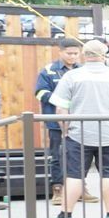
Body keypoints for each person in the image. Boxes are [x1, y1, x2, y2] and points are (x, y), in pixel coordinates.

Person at [49, 38, 109, 218]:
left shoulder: (72, 76)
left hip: (79, 133)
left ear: (84, 55)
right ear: (104, 55)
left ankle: (65, 216)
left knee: (74, 175)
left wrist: (65, 130)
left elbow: (60, 109)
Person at [35, 37, 81, 206]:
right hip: (56, 122)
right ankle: (58, 189)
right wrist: (61, 100)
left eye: (76, 53)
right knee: (57, 156)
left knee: (78, 156)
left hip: (78, 121)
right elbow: (39, 92)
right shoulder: (48, 71)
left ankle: (79, 189)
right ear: (60, 52)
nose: (73, 57)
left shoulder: (82, 70)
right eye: (69, 53)